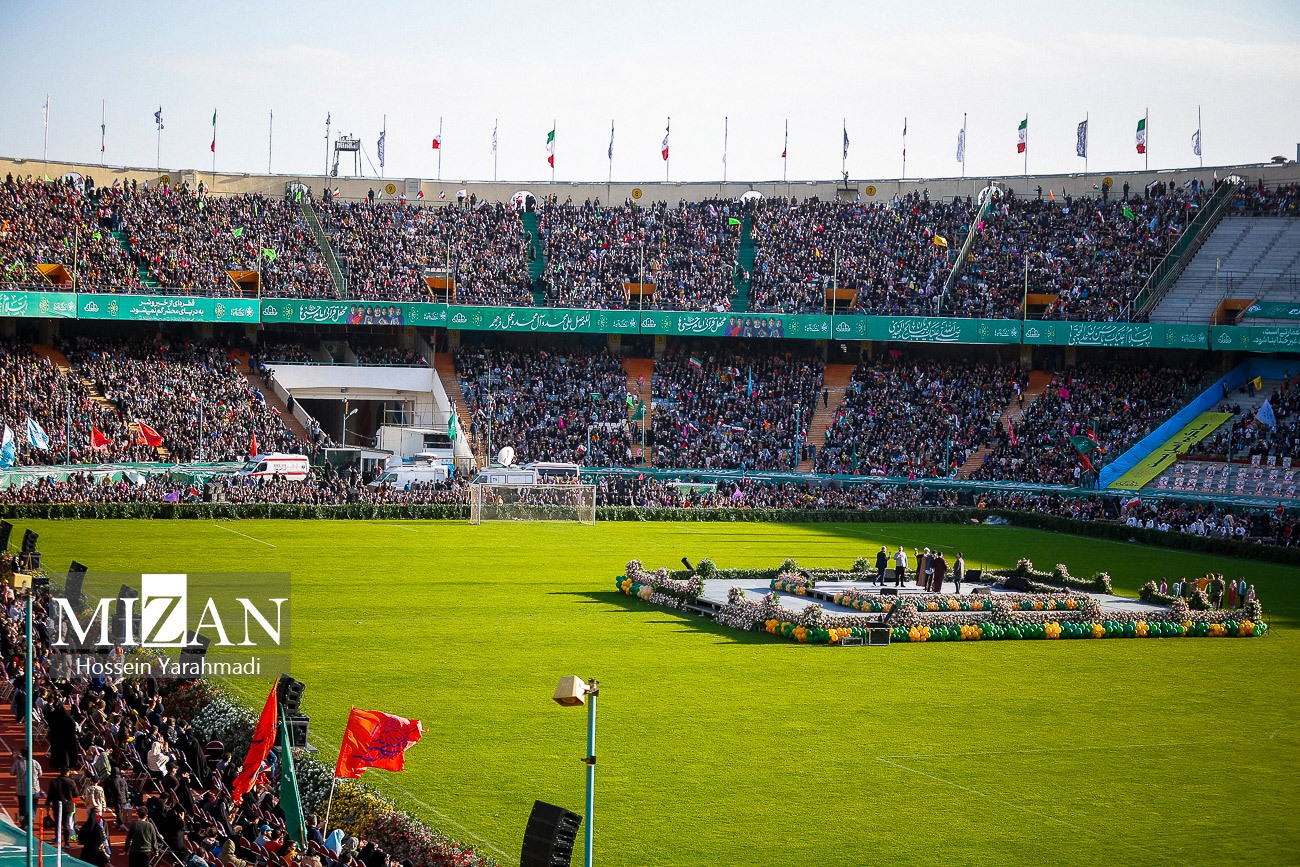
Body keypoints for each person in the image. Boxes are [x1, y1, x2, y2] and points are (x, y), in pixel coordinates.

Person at [11, 746, 41, 828]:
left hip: (22, 790)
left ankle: (23, 822)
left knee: (22, 806)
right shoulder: (35, 763)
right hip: (34, 789)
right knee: (33, 806)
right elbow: (40, 773)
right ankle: (31, 819)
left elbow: (12, 773)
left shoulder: (17, 764)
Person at [46, 766, 78, 840]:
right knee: (66, 823)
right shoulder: (71, 782)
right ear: (67, 773)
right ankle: (66, 841)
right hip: (68, 805)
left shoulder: (54, 781)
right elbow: (76, 794)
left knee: (58, 822)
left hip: (57, 804)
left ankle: (57, 838)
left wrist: (47, 804)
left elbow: (50, 794)